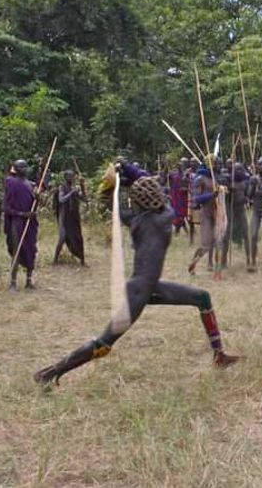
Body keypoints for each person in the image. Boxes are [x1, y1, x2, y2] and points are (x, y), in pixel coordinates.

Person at [33, 172, 239, 386]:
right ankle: (49, 374)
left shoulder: (135, 220)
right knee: (103, 345)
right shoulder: (165, 217)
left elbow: (108, 202)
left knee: (202, 298)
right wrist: (129, 174)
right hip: (140, 291)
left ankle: (219, 356)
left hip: (148, 286)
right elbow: (160, 198)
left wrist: (113, 185)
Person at [4, 159, 39, 290]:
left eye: (25, 167)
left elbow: (35, 205)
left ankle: (29, 281)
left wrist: (38, 198)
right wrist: (23, 214)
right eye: (21, 167)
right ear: (16, 169)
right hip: (18, 222)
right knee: (17, 251)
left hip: (30, 223)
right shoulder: (11, 183)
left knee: (31, 250)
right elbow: (7, 208)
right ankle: (13, 283)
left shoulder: (31, 185)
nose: (24, 169)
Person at [53, 170, 87, 266]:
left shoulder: (75, 188)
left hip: (74, 217)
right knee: (62, 237)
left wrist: (82, 186)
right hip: (64, 217)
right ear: (65, 177)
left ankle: (82, 260)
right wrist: (72, 192)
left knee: (78, 238)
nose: (71, 178)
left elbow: (84, 199)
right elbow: (61, 199)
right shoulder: (62, 187)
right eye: (69, 176)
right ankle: (55, 259)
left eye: (72, 176)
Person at [169, 158, 191, 235]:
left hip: (184, 196)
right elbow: (171, 184)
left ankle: (182, 231)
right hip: (175, 196)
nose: (183, 164)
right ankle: (180, 232)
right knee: (177, 214)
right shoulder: (173, 174)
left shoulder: (188, 173)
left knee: (182, 214)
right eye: (182, 163)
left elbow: (189, 184)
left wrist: (186, 187)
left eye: (185, 163)